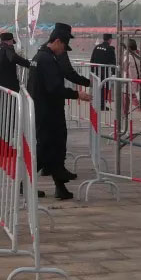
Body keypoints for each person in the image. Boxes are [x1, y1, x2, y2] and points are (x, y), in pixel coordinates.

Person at [28, 23, 91, 200]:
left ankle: (60, 187)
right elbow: (54, 88)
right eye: (63, 46)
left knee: (55, 149)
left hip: (46, 110)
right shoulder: (47, 60)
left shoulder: (40, 56)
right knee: (45, 149)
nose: (64, 51)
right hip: (47, 111)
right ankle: (24, 183)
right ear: (56, 41)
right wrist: (77, 94)